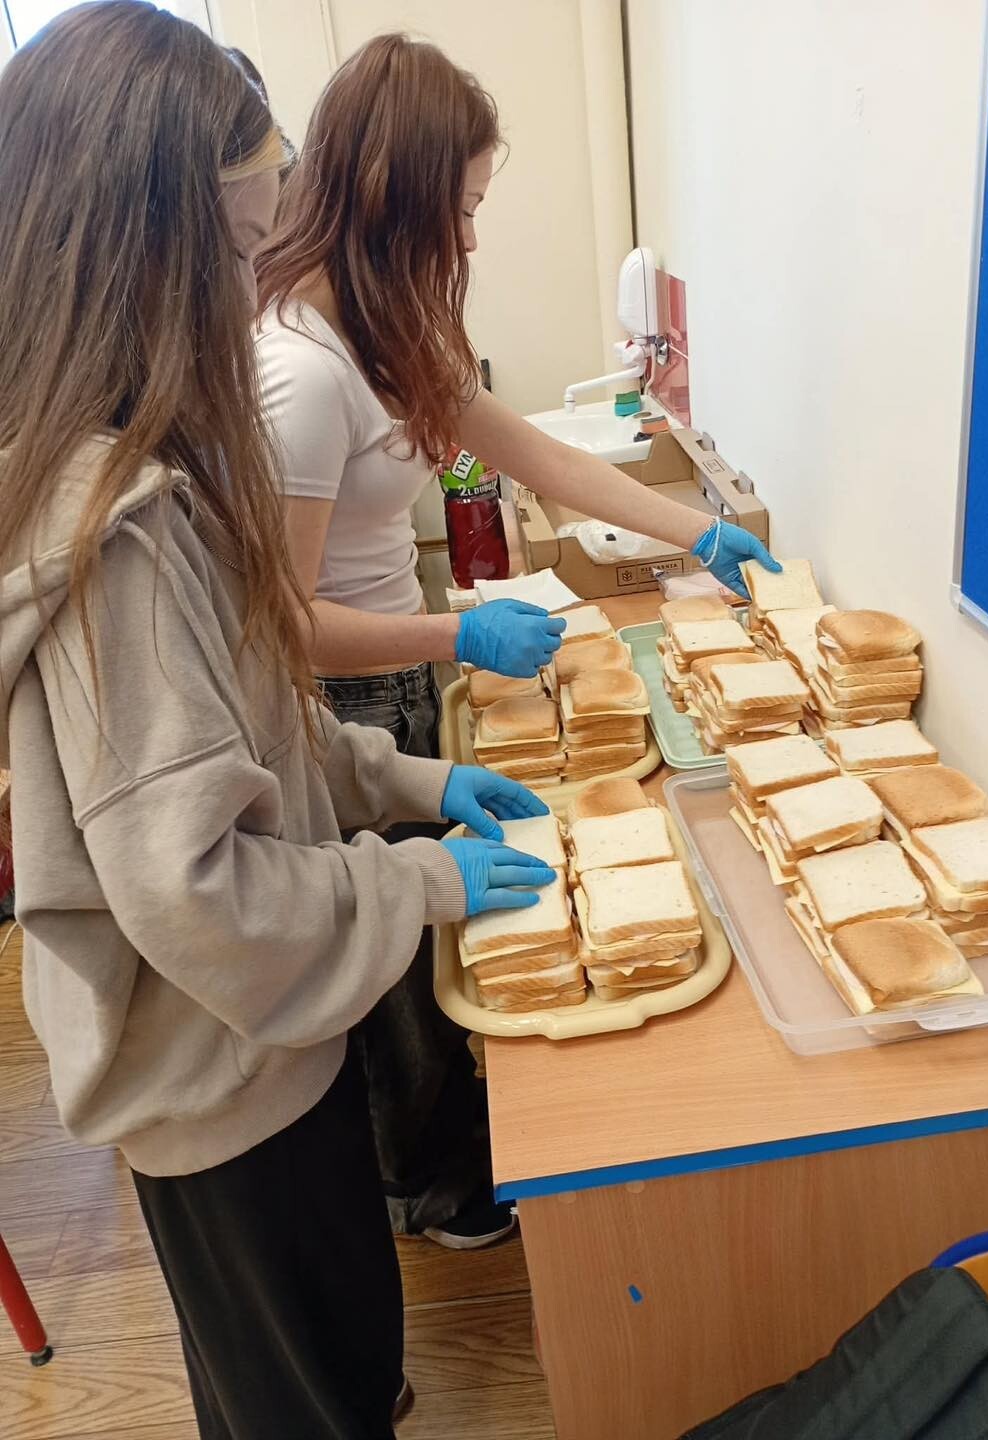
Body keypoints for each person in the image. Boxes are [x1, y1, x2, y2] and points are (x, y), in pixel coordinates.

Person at [0, 6, 556, 1437]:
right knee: (296, 1396)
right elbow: (199, 894)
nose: (260, 291)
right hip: (216, 1075)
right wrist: (418, 879)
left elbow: (258, 728)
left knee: (341, 1357)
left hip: (261, 1052)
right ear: (146, 256)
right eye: (243, 252)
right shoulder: (114, 540)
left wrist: (412, 784)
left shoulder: (164, 478)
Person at [253, 32, 781, 1247]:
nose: (473, 237)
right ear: (395, 195)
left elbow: (537, 456)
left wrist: (699, 531)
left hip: (402, 670)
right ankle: (428, 1185)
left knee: (433, 925)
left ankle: (450, 1143)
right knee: (392, 966)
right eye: (464, 207)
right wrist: (457, 629)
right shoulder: (298, 370)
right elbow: (278, 627)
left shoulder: (384, 328)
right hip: (339, 699)